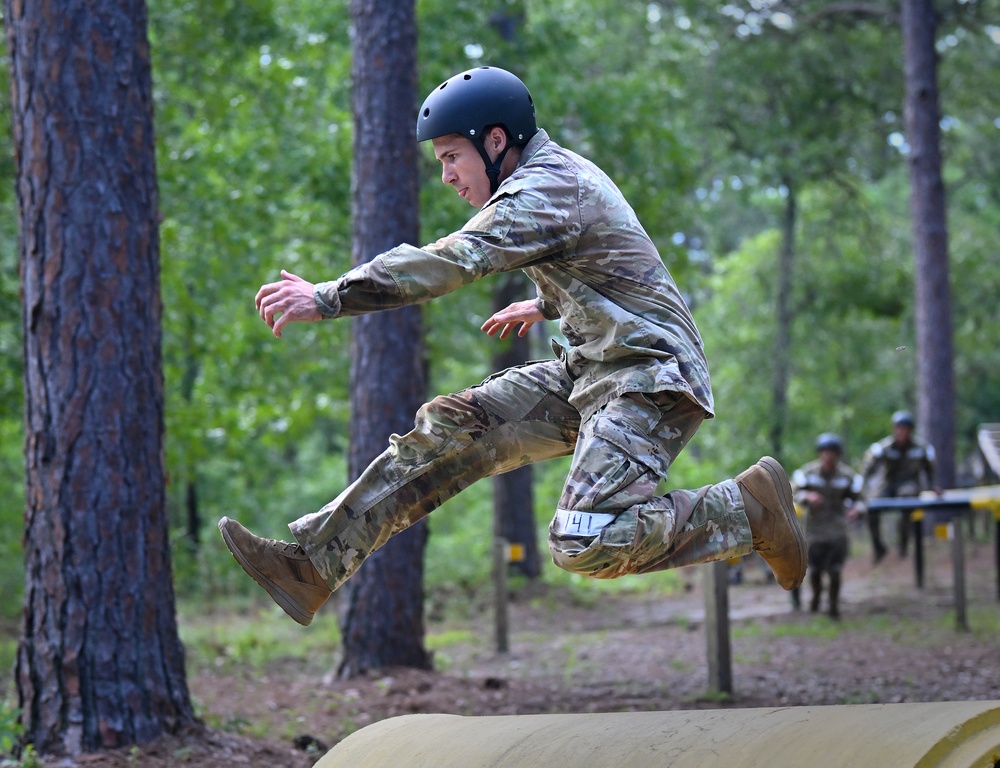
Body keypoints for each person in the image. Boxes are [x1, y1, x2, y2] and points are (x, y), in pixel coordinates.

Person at [218, 66, 806, 626]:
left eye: (452, 157)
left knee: (583, 542)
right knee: (454, 424)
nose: (447, 175)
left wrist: (329, 296)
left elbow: (449, 263)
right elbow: (610, 261)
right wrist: (550, 302)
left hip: (648, 379)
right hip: (593, 372)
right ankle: (312, 565)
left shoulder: (545, 187)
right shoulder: (547, 179)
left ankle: (745, 510)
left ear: (495, 140)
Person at [790, 433, 864, 618]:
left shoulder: (847, 476)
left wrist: (858, 509)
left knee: (835, 570)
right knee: (814, 571)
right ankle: (815, 598)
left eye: (832, 452)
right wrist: (807, 497)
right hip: (814, 531)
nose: (828, 456)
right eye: (825, 452)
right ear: (820, 453)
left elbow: (861, 499)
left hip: (837, 530)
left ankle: (833, 606)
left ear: (837, 454)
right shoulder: (807, 474)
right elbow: (792, 492)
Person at [860, 410, 938, 562]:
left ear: (910, 430)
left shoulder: (920, 448)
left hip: (909, 484)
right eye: (899, 428)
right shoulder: (885, 447)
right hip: (888, 484)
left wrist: (933, 485)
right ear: (894, 429)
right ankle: (879, 548)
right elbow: (869, 466)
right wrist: (862, 487)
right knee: (871, 506)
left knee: (906, 499)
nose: (902, 432)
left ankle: (903, 543)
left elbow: (930, 470)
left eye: (905, 428)